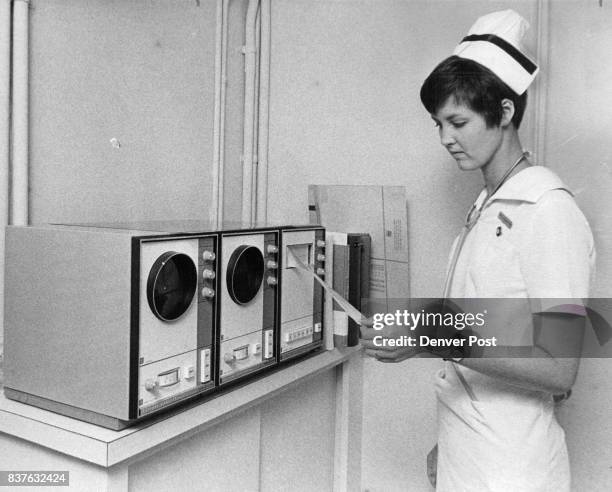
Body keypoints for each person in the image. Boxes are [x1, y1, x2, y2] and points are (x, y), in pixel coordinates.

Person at [360, 9, 595, 491]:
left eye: (458, 122)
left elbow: (560, 366)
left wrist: (427, 335)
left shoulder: (547, 210)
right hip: (470, 455)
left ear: (505, 112)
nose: (446, 138)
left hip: (516, 469)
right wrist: (449, 442)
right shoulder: (489, 207)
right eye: (437, 124)